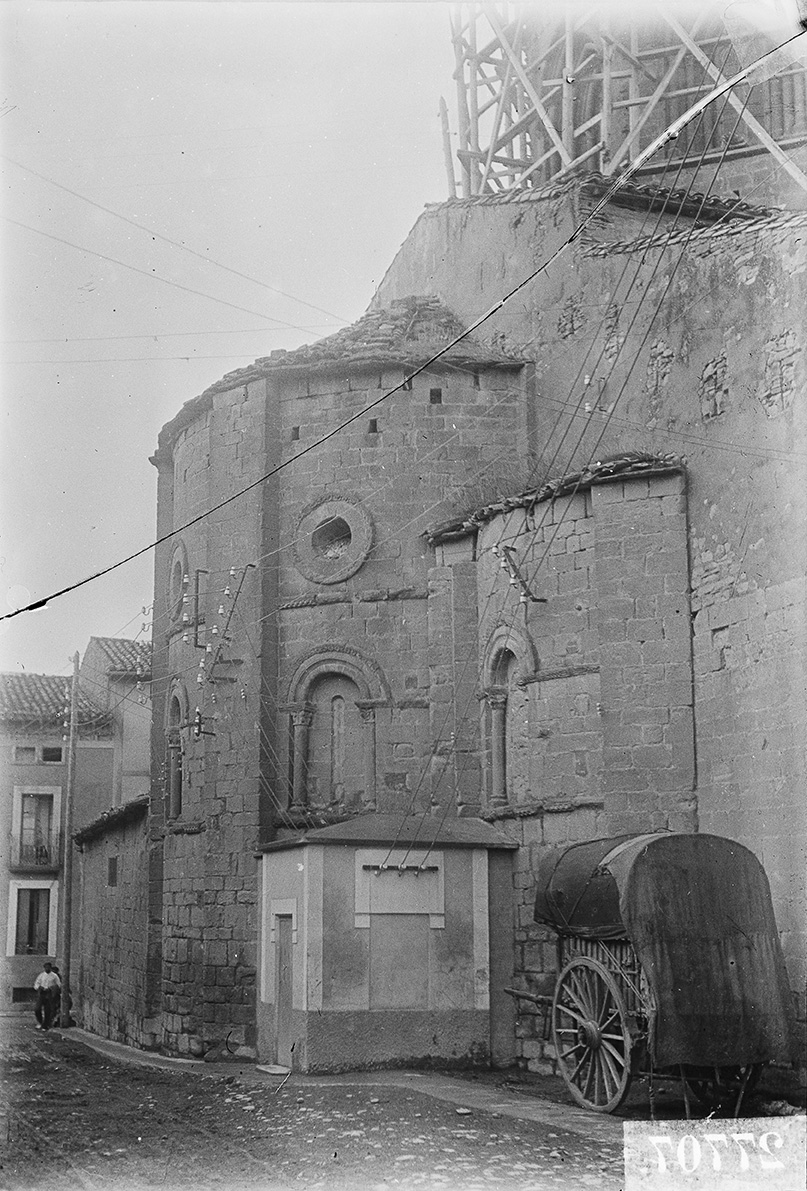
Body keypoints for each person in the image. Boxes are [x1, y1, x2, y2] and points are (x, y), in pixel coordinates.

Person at [33, 961, 61, 1030]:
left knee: (47, 1010)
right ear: (44, 968)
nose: (47, 969)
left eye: (48, 967)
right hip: (42, 993)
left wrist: (52, 988)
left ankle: (45, 1025)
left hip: (49, 994)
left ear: (50, 968)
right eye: (46, 967)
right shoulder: (41, 975)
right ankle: (40, 1022)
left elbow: (59, 984)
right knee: (37, 1009)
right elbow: (36, 983)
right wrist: (39, 987)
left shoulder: (54, 976)